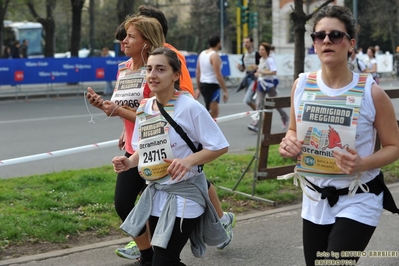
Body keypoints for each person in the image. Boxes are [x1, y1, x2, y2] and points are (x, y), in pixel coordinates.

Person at [278, 5, 399, 266]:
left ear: (351, 43)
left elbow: (394, 146)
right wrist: (288, 143)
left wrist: (363, 163)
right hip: (314, 198)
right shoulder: (302, 85)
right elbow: (292, 130)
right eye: (319, 36)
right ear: (314, 43)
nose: (326, 41)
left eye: (335, 35)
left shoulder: (371, 92)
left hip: (359, 197)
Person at [113, 47, 230, 266]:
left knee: (164, 259)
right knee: (164, 258)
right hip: (156, 196)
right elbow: (144, 149)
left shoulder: (190, 108)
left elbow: (220, 146)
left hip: (185, 196)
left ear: (176, 75)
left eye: (160, 69)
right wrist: (129, 162)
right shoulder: (145, 108)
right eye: (149, 69)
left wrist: (188, 161)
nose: (152, 75)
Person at [86, 15, 165, 264]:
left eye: (131, 36)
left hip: (156, 148)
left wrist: (118, 111)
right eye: (125, 35)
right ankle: (147, 254)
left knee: (157, 208)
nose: (124, 40)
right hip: (132, 148)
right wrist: (105, 108)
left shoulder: (156, 70)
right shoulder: (123, 68)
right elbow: (126, 108)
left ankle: (159, 256)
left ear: (146, 42)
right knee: (123, 204)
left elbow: (158, 115)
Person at [248, 42, 289, 132]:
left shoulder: (270, 60)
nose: (260, 51)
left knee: (274, 103)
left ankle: (284, 117)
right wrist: (257, 73)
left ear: (267, 51)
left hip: (269, 84)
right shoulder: (261, 59)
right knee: (258, 103)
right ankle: (256, 123)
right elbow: (261, 70)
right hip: (261, 84)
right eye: (259, 49)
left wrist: (261, 72)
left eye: (262, 49)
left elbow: (274, 72)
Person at [195, 35, 228, 118]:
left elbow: (198, 72)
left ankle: (208, 128)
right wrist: (225, 90)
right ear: (218, 44)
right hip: (212, 85)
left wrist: (199, 88)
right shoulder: (214, 56)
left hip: (203, 85)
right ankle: (207, 129)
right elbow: (218, 75)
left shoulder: (202, 54)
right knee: (214, 113)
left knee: (212, 111)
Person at [236, 36, 260, 111]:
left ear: (251, 43)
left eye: (247, 42)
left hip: (256, 79)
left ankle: (258, 114)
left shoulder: (257, 54)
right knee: (252, 100)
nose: (245, 44)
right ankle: (258, 116)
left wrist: (256, 67)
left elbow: (263, 66)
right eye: (244, 42)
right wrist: (239, 67)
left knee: (248, 99)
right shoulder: (244, 55)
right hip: (248, 78)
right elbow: (243, 69)